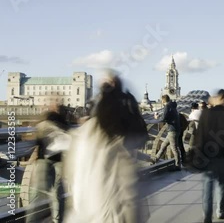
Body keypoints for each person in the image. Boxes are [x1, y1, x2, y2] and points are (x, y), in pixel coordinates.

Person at [64, 70, 148, 222]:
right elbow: (129, 188)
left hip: (88, 211)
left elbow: (73, 175)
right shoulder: (122, 140)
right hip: (111, 211)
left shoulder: (82, 135)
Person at [194, 89, 224, 223]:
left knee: (207, 188)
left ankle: (207, 217)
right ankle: (221, 211)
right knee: (221, 185)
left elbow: (199, 136)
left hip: (207, 155)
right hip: (222, 156)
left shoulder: (205, 114)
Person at [26, 105, 71, 223]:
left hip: (46, 159)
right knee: (57, 194)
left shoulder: (43, 121)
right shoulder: (63, 121)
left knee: (39, 192)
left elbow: (35, 139)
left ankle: (34, 219)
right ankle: (57, 219)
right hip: (59, 160)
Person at [153, 94, 181, 169]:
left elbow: (163, 118)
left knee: (174, 148)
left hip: (172, 129)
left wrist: (157, 117)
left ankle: (178, 165)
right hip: (175, 129)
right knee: (163, 145)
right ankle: (155, 159)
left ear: (163, 100)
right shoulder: (172, 106)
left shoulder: (167, 106)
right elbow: (168, 116)